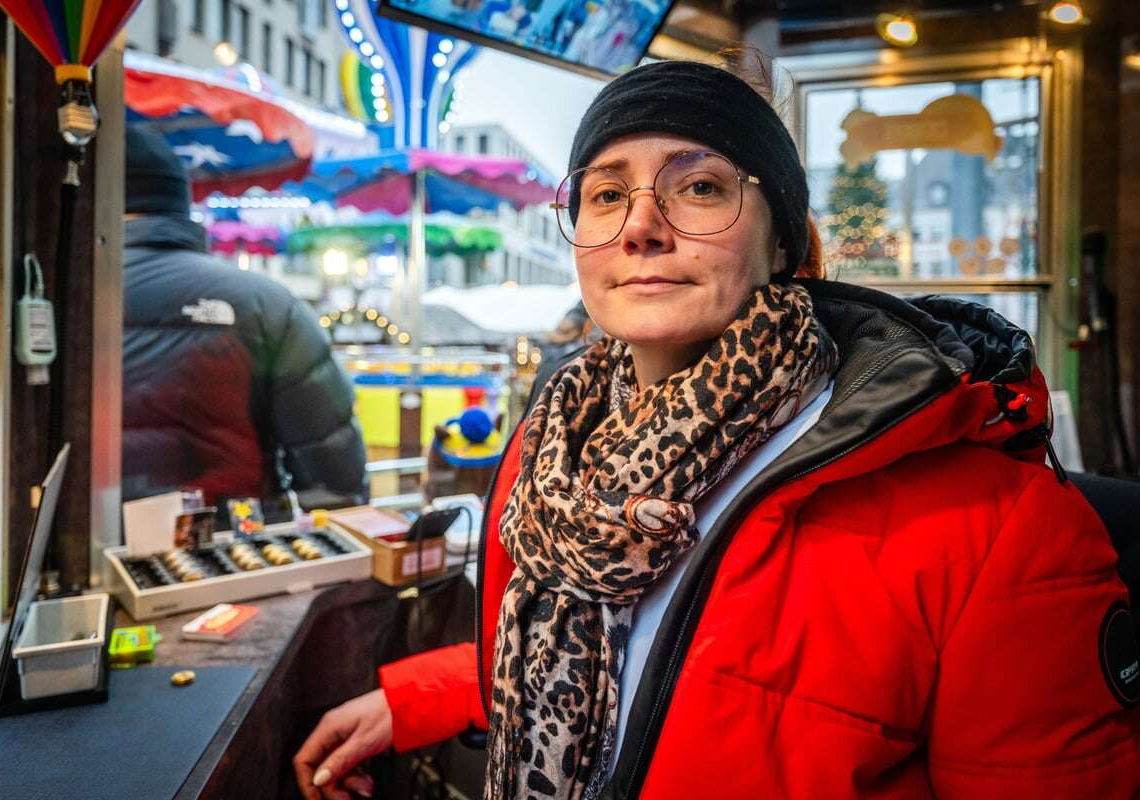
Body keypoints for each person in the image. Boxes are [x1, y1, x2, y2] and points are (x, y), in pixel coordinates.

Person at [293, 61, 1140, 799]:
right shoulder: (548, 457)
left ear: (788, 246)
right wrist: (423, 697)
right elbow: (635, 663)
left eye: (700, 186)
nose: (641, 226)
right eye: (605, 194)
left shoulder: (1000, 527)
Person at [122, 125, 367, 511]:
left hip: (55, 556)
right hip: (226, 555)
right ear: (178, 200)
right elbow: (335, 481)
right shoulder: (266, 305)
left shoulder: (47, 296)